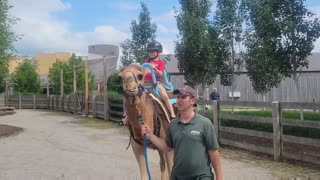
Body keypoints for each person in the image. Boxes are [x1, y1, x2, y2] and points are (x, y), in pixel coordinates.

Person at [141, 86, 222, 180]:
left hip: (201, 177)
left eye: (183, 97)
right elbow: (167, 147)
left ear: (192, 100)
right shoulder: (172, 125)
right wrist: (150, 135)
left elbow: (213, 153)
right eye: (178, 97)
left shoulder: (205, 124)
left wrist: (219, 178)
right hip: (177, 176)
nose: (179, 100)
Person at [144, 41, 176, 119]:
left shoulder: (160, 63)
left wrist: (154, 68)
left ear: (158, 52)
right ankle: (126, 116)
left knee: (164, 96)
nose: (151, 53)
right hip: (145, 83)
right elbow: (144, 72)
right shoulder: (146, 62)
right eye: (149, 51)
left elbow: (160, 74)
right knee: (134, 93)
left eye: (153, 51)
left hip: (156, 83)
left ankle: (172, 113)